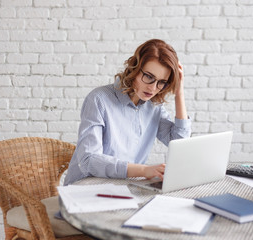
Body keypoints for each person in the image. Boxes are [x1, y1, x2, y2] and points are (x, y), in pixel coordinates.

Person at [64, 39, 191, 186]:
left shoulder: (154, 106)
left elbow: (180, 141)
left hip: (124, 187)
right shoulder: (99, 99)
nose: (153, 88)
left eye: (161, 82)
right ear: (135, 69)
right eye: (149, 77)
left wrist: (179, 93)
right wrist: (144, 171)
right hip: (85, 187)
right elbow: (89, 160)